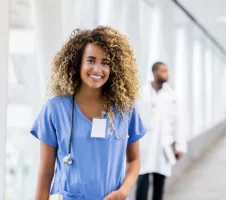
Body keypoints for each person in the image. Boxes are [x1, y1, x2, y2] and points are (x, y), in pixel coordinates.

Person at [30, 26, 147, 200]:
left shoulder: (125, 110)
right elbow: (46, 172)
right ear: (78, 63)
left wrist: (123, 192)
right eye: (91, 60)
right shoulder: (55, 109)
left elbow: (134, 160)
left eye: (105, 62)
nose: (97, 69)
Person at [135, 62, 187, 200]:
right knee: (141, 181)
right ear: (154, 72)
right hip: (144, 144)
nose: (166, 74)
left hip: (163, 145)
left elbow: (179, 122)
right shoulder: (140, 93)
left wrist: (179, 146)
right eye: (163, 71)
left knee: (159, 183)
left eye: (167, 71)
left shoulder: (172, 96)